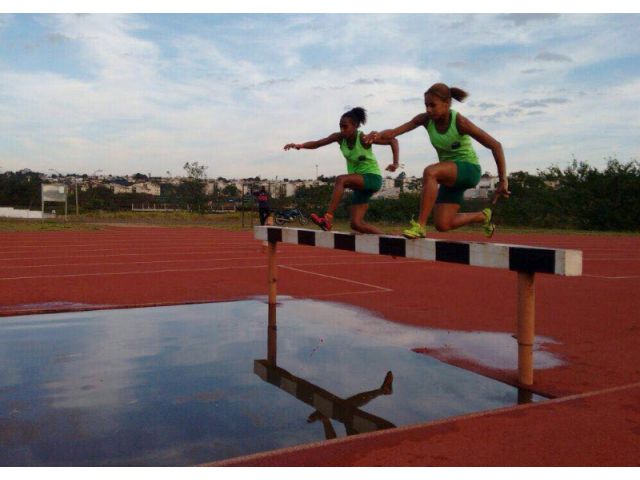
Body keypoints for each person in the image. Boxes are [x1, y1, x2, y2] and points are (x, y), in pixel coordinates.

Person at [364, 83, 510, 239]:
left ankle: (420, 226)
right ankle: (482, 216)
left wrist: (503, 180)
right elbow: (394, 132)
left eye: (432, 105)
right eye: (426, 105)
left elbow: (496, 146)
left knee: (430, 172)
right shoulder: (426, 120)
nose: (428, 109)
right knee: (443, 224)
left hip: (469, 170)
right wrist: (378, 135)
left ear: (446, 104)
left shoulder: (460, 122)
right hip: (449, 177)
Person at [283, 107, 400, 234]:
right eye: (340, 127)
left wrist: (395, 163)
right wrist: (300, 146)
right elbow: (318, 143)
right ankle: (391, 241)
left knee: (341, 180)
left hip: (371, 178)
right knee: (356, 224)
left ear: (355, 126)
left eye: (345, 127)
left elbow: (393, 140)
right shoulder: (339, 138)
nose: (342, 130)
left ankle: (327, 219)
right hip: (360, 185)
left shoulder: (363, 138)